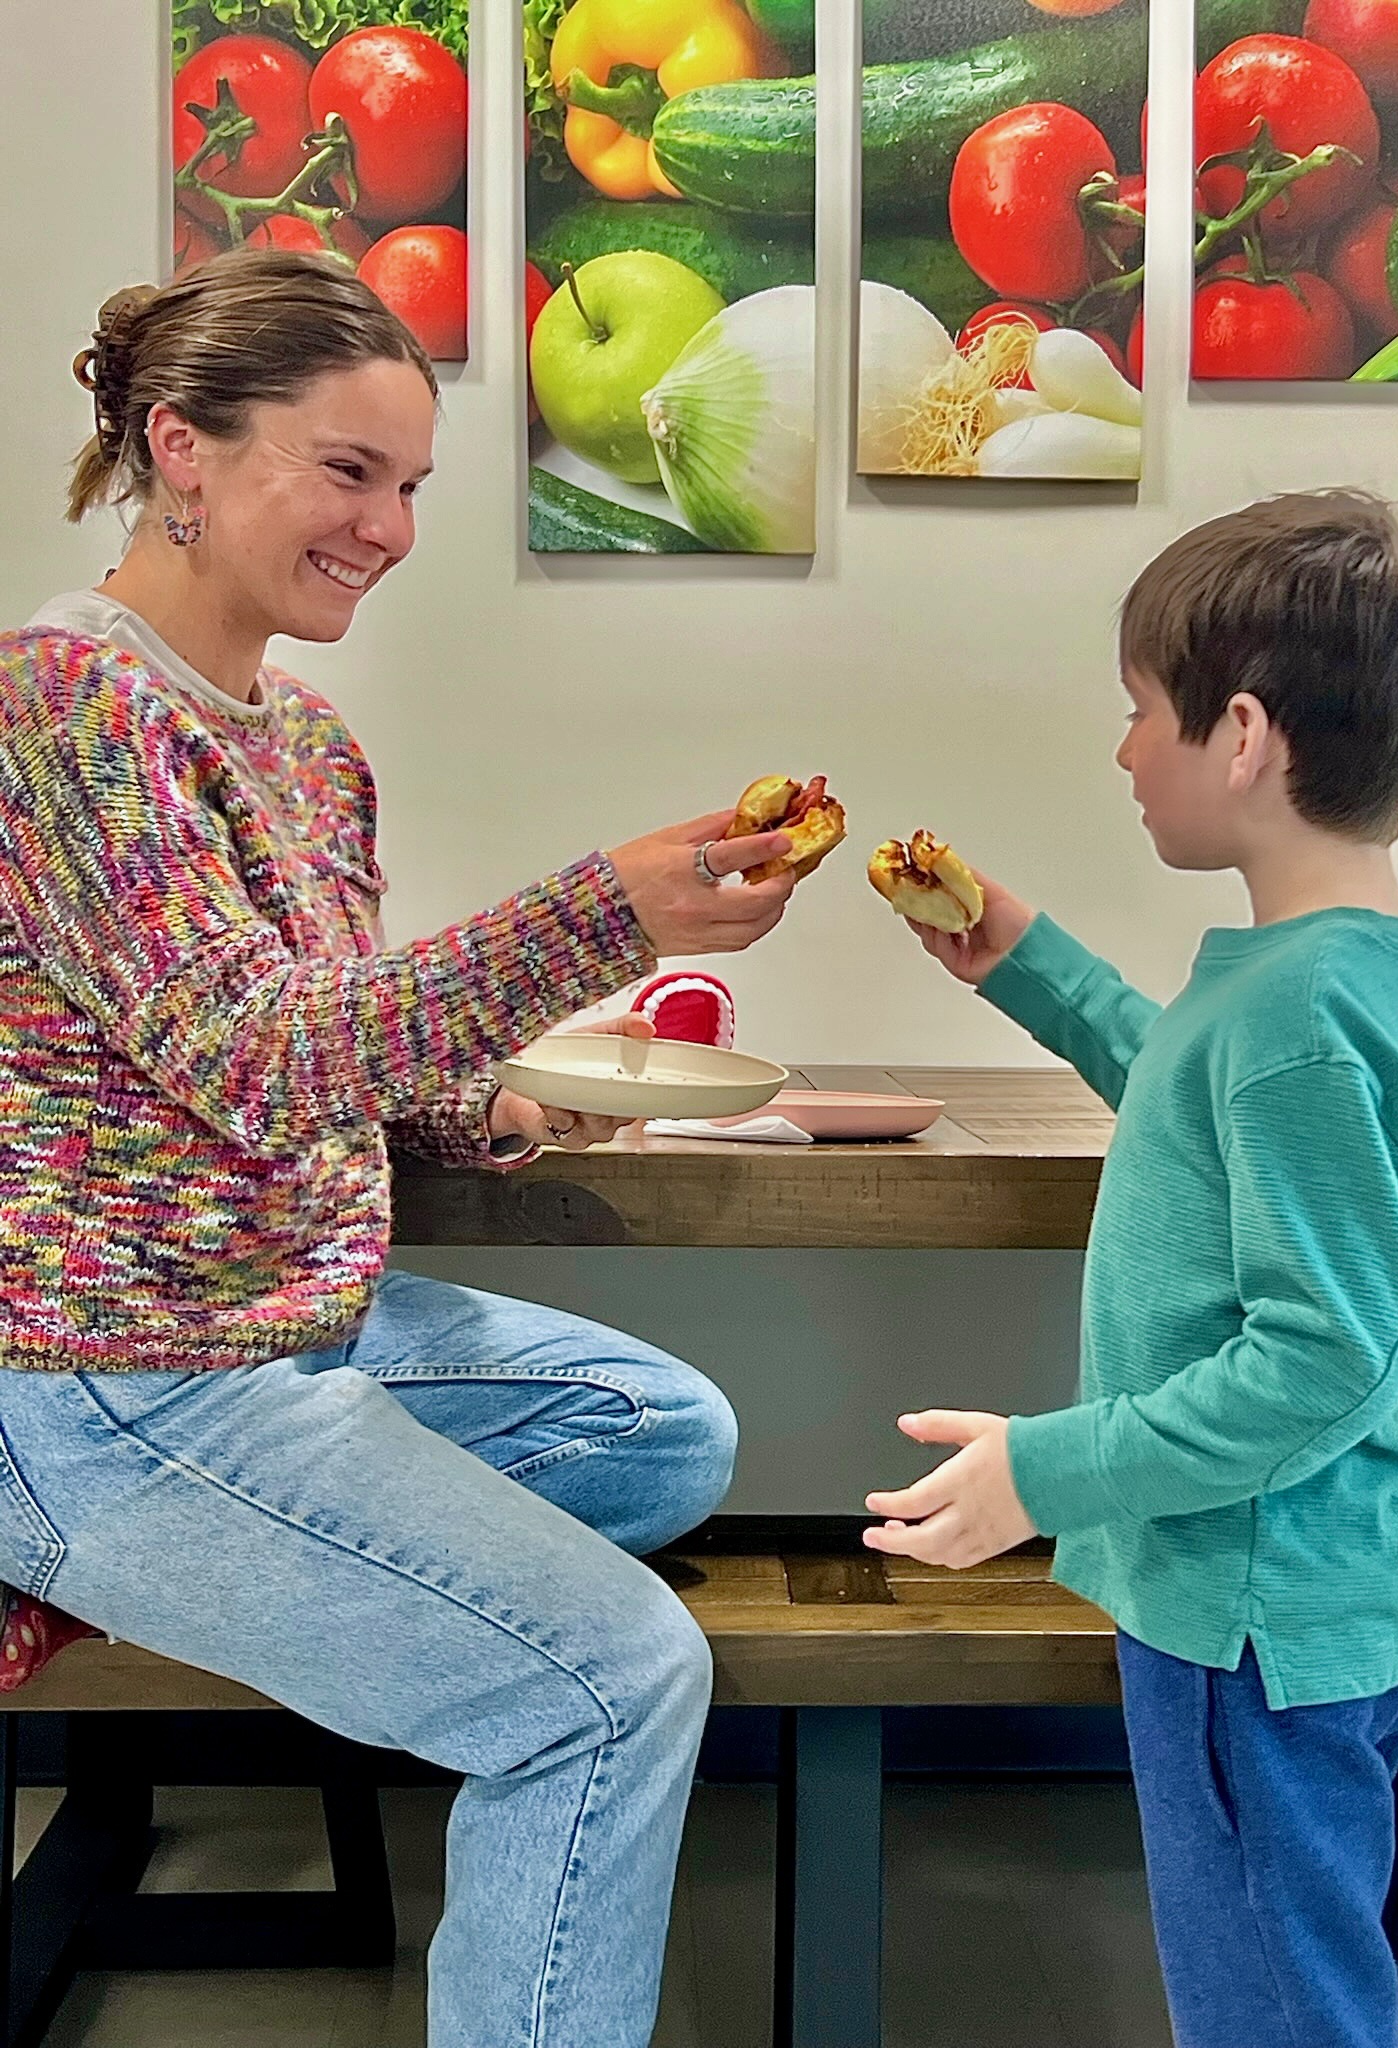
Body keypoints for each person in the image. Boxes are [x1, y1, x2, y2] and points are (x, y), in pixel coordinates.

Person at [0, 246, 799, 2047]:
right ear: (179, 448)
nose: (393, 526)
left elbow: (345, 1044)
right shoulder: (61, 710)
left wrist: (535, 1085)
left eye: (413, 484)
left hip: (296, 1331)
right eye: (348, 471)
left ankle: (289, 1580)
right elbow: (252, 1053)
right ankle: (79, 1541)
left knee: (666, 1432)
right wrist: (605, 912)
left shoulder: (304, 744)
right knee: (608, 1684)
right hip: (115, 1379)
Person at [864, 492, 1398, 2048]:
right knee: (1287, 1966)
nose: (1124, 750)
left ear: (1245, 736)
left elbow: (1320, 1356)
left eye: (1142, 714)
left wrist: (1040, 1475)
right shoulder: (1349, 961)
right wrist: (1030, 963)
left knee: (1270, 2001)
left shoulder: (1297, 1014)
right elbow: (1190, 1095)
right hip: (1301, 1581)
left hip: (1247, 1605)